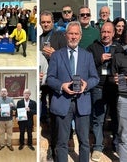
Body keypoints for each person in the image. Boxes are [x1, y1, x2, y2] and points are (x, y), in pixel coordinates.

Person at [47, 21, 99, 162]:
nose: (74, 37)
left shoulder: (87, 56)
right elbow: (50, 78)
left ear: (80, 36)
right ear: (66, 35)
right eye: (71, 33)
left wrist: (86, 84)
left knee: (84, 142)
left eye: (76, 34)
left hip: (82, 103)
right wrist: (61, 85)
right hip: (62, 102)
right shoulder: (57, 55)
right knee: (62, 142)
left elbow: (95, 78)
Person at [87, 22, 123, 161]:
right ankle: (97, 147)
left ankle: (116, 146)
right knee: (98, 118)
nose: (106, 34)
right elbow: (88, 66)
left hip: (115, 88)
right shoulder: (93, 47)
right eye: (103, 32)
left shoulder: (118, 48)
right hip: (98, 87)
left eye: (109, 32)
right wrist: (99, 59)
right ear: (100, 32)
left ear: (113, 33)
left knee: (116, 118)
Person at [39, 10, 66, 160]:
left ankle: (54, 146)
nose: (46, 24)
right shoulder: (39, 37)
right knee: (44, 112)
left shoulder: (60, 36)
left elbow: (66, 58)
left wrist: (54, 53)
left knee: (55, 113)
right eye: (43, 22)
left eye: (48, 22)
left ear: (53, 21)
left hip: (56, 81)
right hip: (43, 81)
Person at [112, 44, 127, 162]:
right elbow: (112, 76)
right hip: (123, 98)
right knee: (123, 135)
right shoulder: (119, 56)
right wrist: (116, 80)